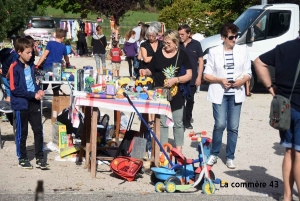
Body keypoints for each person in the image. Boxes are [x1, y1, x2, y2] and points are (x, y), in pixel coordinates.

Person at [254, 37, 300, 201]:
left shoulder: (283, 48)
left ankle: (287, 196)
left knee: (289, 152)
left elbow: (258, 62)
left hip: (285, 108)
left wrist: (270, 87)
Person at [204, 23, 251, 169]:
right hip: (219, 93)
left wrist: (241, 81)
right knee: (220, 124)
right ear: (223, 37)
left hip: (236, 93)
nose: (234, 40)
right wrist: (220, 80)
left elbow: (248, 72)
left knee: (233, 127)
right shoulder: (213, 52)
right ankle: (214, 153)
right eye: (231, 37)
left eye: (236, 36)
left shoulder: (243, 50)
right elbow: (206, 75)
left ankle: (230, 157)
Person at [139, 30, 192, 153]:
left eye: (168, 43)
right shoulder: (158, 54)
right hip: (160, 93)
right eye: (164, 43)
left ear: (175, 42)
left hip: (177, 93)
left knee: (178, 122)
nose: (165, 45)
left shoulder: (183, 55)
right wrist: (145, 72)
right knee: (162, 123)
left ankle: (178, 150)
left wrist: (176, 79)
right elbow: (151, 70)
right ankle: (163, 150)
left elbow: (189, 75)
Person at [9, 38, 49, 169]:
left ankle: (40, 157)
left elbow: (34, 81)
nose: (30, 55)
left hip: (34, 103)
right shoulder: (14, 67)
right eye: (28, 52)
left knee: (38, 130)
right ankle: (23, 157)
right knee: (22, 132)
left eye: (31, 52)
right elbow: (14, 90)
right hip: (21, 104)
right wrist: (33, 94)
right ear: (19, 52)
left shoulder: (31, 65)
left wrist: (38, 90)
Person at [178, 24, 204, 129]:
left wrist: (199, 77)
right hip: (180, 76)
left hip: (193, 77)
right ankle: (181, 121)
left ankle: (187, 121)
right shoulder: (177, 44)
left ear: (189, 34)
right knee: (180, 100)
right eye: (179, 34)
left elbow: (201, 61)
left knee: (190, 100)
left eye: (182, 34)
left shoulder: (196, 44)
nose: (180, 36)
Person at [36, 29, 70, 94]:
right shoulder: (63, 46)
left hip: (47, 66)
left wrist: (38, 65)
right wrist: (68, 63)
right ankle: (56, 102)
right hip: (57, 68)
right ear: (63, 38)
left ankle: (40, 101)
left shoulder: (50, 43)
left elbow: (44, 55)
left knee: (44, 86)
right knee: (55, 88)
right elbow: (66, 57)